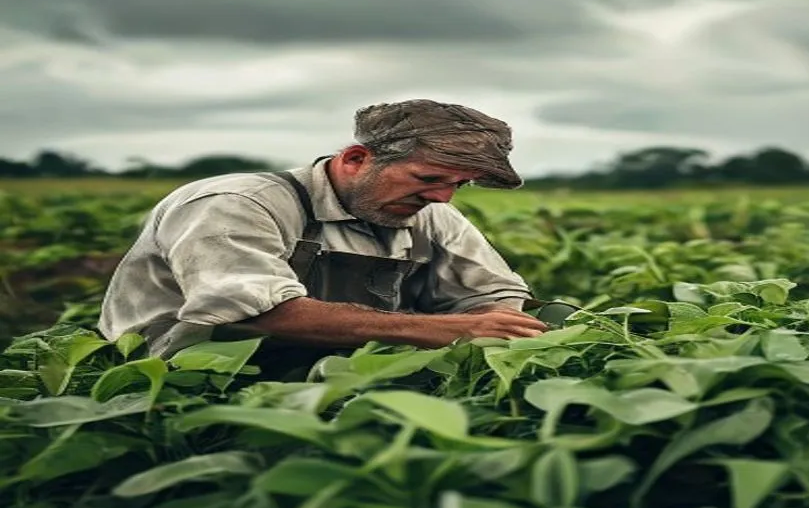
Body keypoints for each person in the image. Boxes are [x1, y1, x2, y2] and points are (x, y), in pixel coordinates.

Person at [97, 99, 550, 375]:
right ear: (356, 158)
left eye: (459, 184)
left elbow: (490, 296)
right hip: (182, 380)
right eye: (429, 176)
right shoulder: (235, 203)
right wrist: (447, 330)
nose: (443, 197)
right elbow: (262, 314)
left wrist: (494, 322)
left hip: (335, 375)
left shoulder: (429, 214)